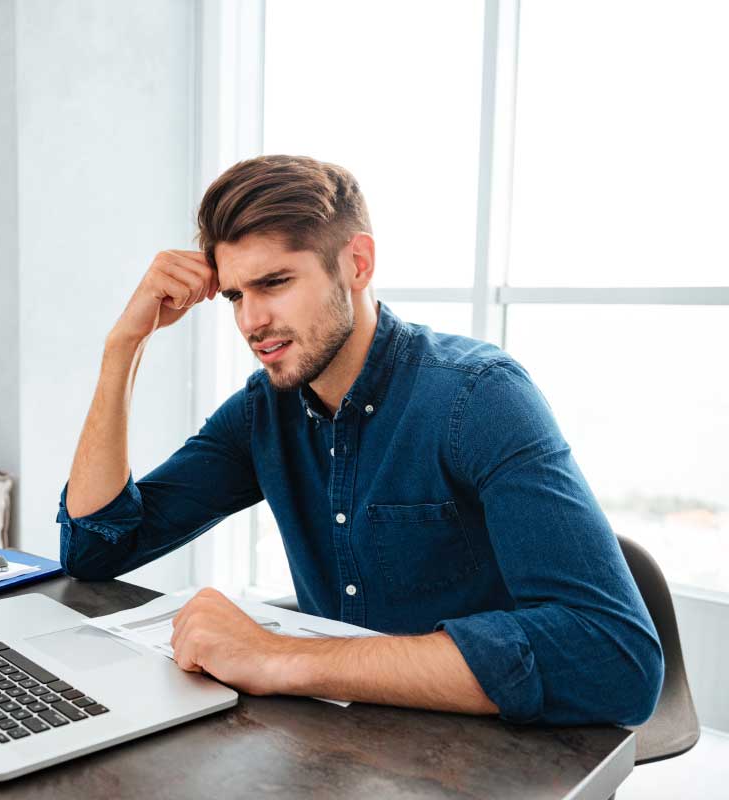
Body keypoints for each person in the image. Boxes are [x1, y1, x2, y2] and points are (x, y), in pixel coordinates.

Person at [56, 155, 664, 726]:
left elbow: (615, 660)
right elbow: (97, 548)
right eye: (237, 295)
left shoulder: (478, 397)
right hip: (345, 746)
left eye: (274, 283)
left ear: (357, 264)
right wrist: (123, 349)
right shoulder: (263, 413)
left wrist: (276, 658)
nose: (249, 321)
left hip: (495, 756)